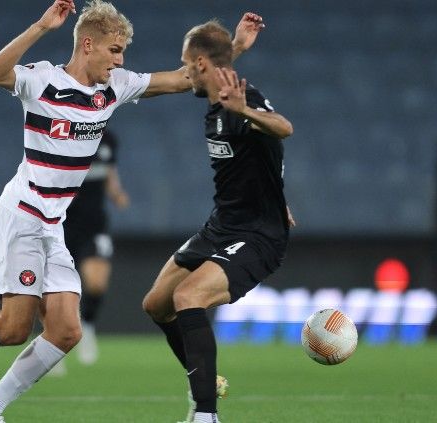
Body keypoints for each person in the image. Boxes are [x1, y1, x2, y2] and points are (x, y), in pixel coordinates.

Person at [0, 1, 260, 421]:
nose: (120, 60)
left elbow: (186, 77)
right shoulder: (42, 81)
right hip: (22, 215)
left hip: (52, 226)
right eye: (114, 50)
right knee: (12, 329)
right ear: (88, 44)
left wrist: (235, 48)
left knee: (65, 331)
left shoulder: (114, 89)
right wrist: (41, 26)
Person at [141, 19, 294, 423]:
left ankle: (205, 413)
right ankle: (203, 379)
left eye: (187, 64)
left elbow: (284, 129)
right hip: (221, 224)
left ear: (201, 63)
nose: (184, 71)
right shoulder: (216, 95)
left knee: (188, 298)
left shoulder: (243, 100)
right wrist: (237, 45)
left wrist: (246, 110)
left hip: (258, 234)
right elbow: (212, 71)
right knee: (156, 304)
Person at [63, 129, 129, 366]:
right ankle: (51, 341)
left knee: (97, 282)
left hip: (95, 224)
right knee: (59, 286)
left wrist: (116, 193)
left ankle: (87, 328)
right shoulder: (64, 132)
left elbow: (110, 171)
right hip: (63, 223)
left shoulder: (109, 138)